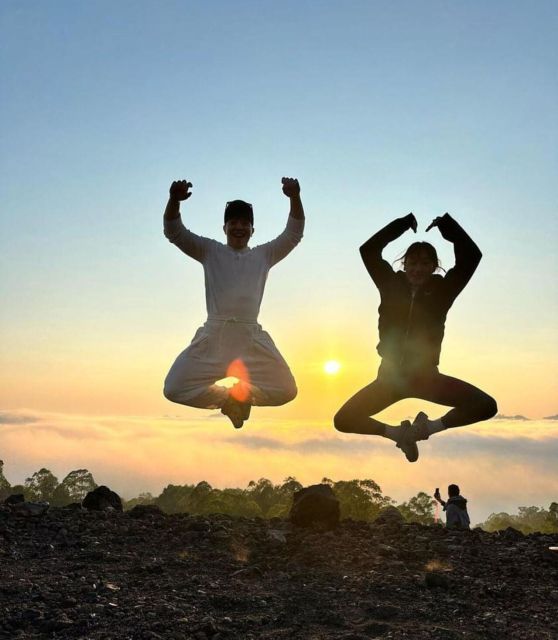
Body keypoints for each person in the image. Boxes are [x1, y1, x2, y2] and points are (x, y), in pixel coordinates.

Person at [334, 212, 497, 462]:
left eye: (424, 264)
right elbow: (368, 250)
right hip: (389, 379)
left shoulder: (444, 290)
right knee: (343, 420)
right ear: (404, 264)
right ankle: (398, 434)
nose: (418, 269)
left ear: (434, 267)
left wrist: (447, 226)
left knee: (486, 406)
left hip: (426, 378)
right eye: (412, 263)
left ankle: (426, 429)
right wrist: (402, 224)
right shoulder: (389, 283)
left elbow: (471, 257)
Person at [162, 177, 304, 429]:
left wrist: (294, 197)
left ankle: (243, 395)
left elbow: (293, 235)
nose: (239, 227)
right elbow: (174, 232)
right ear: (224, 228)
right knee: (174, 388)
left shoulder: (263, 255)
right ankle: (228, 400)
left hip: (250, 339)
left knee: (286, 390)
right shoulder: (210, 251)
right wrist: (174, 200)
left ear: (252, 230)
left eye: (245, 223)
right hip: (214, 338)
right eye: (233, 222)